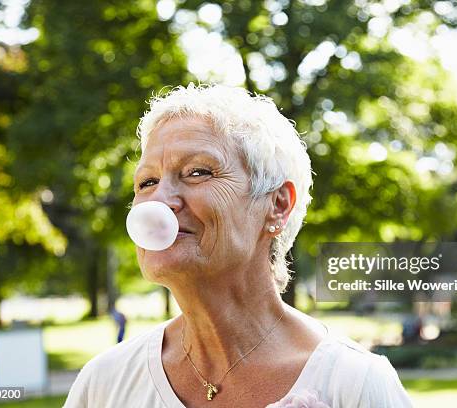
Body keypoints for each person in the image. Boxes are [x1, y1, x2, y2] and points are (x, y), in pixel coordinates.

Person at [64, 83, 412, 407]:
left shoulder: (354, 384)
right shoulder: (104, 384)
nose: (160, 201)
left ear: (276, 205)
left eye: (197, 172)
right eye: (147, 181)